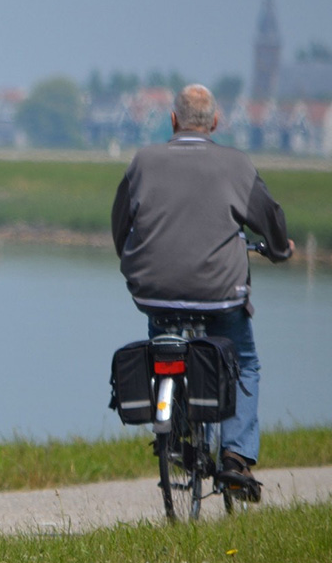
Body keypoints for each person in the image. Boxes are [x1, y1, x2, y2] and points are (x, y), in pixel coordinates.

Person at [111, 83, 292, 500]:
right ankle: (236, 457)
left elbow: (121, 223)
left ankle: (173, 432)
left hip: (155, 291)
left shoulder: (142, 161)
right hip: (220, 293)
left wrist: (133, 262)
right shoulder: (236, 164)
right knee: (244, 363)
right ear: (215, 122)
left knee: (164, 350)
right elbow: (271, 219)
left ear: (172, 121)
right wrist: (280, 251)